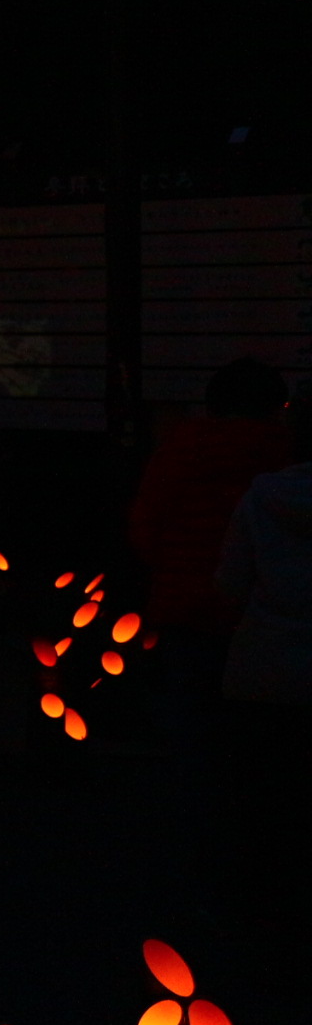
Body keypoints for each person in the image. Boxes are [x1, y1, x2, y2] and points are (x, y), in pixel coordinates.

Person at [213, 383, 312, 976]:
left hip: (265, 670)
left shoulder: (262, 496)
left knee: (266, 811)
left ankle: (265, 937)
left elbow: (228, 583)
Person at [129, 357, 292, 701]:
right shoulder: (286, 457)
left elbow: (145, 531)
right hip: (264, 613)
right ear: (277, 407)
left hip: (183, 604)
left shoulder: (178, 451)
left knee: (189, 714)